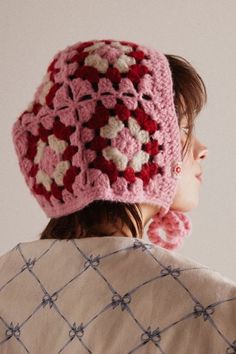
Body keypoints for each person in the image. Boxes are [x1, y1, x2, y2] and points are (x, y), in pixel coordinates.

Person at [0, 39, 235, 354]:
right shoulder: (216, 308)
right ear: (135, 143)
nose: (201, 149)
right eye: (183, 128)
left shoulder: (8, 282)